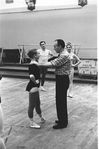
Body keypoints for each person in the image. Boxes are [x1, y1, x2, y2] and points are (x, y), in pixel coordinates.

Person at [39, 39, 71, 129]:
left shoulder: (64, 55)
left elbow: (53, 64)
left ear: (60, 46)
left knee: (61, 101)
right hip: (61, 79)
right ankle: (62, 119)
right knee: (60, 100)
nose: (54, 48)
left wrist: (38, 64)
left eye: (55, 46)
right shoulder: (62, 54)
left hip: (63, 79)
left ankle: (63, 123)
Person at [26, 49, 45, 129]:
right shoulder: (32, 65)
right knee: (32, 105)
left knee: (37, 103)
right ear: (34, 55)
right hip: (33, 87)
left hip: (35, 87)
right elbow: (31, 76)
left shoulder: (35, 63)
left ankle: (41, 117)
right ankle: (31, 122)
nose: (39, 54)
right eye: (37, 53)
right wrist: (36, 82)